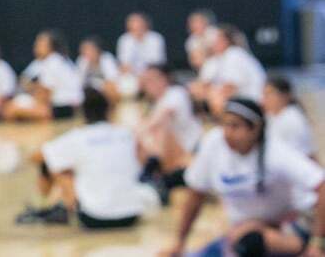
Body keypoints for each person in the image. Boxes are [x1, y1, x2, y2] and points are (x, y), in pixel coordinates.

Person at [162, 98, 325, 257]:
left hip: (288, 226)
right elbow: (196, 194)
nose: (228, 133)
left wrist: (316, 243)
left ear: (255, 129)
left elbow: (321, 184)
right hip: (243, 230)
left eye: (235, 126)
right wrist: (180, 241)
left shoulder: (275, 151)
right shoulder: (214, 143)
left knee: (249, 241)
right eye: (224, 124)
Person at [17, 88, 147, 228]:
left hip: (95, 217)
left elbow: (36, 157)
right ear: (109, 110)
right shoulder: (125, 133)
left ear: (83, 113)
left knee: (57, 164)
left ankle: (56, 206)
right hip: (132, 215)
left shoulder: (78, 137)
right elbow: (142, 157)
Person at [136, 65, 202, 202]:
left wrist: (133, 134)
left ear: (164, 79)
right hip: (173, 155)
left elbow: (160, 120)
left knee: (160, 128)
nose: (149, 85)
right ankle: (151, 173)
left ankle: (149, 171)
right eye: (146, 81)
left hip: (187, 152)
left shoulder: (176, 93)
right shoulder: (157, 102)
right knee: (145, 137)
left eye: (152, 80)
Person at [3, 30, 83, 122]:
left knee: (10, 109)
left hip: (63, 107)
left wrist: (32, 97)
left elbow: (45, 95)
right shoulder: (42, 62)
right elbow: (24, 80)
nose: (36, 46)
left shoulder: (53, 61)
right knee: (14, 106)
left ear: (51, 46)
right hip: (59, 105)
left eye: (40, 43)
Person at [189, 24, 265, 117]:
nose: (213, 44)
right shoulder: (221, 59)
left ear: (225, 41)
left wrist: (210, 93)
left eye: (216, 40)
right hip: (242, 100)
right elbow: (205, 84)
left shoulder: (234, 54)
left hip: (252, 102)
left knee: (216, 98)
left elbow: (229, 88)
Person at [263, 76, 315, 158]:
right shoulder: (272, 116)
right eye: (264, 94)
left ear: (285, 96)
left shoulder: (291, 118)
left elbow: (298, 156)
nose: (265, 99)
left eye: (270, 94)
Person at [76, 36, 120, 103]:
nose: (87, 54)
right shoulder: (82, 61)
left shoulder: (107, 58)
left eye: (89, 50)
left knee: (110, 88)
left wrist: (100, 85)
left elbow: (112, 80)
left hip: (104, 91)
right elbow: (79, 82)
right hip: (88, 91)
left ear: (96, 50)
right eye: (84, 51)